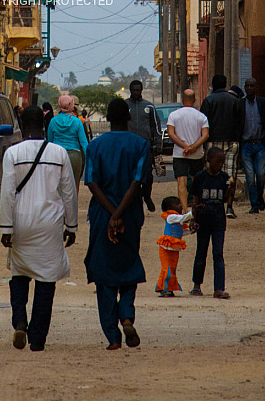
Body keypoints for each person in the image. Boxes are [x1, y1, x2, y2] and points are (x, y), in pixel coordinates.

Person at [0, 105, 78, 351]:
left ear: (21, 126)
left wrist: (6, 227)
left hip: (20, 222)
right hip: (50, 223)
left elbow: (7, 193)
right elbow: (69, 192)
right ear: (45, 126)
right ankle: (38, 338)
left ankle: (20, 321)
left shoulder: (12, 152)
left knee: (19, 273)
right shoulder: (59, 152)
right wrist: (71, 225)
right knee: (46, 279)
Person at [84, 97, 149, 350]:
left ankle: (112, 335)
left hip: (102, 215)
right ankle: (127, 315)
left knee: (104, 271)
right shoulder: (141, 145)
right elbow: (137, 182)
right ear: (129, 118)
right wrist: (121, 213)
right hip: (130, 214)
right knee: (129, 264)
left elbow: (91, 182)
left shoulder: (95, 147)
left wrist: (111, 214)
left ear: (108, 119)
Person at [190, 147, 233, 299]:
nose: (220, 164)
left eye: (222, 161)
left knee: (218, 254)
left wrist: (230, 188)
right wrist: (193, 219)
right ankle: (197, 285)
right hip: (203, 220)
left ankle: (219, 288)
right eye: (217, 161)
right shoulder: (201, 177)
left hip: (218, 221)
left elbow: (226, 200)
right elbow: (195, 200)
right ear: (209, 161)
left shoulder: (224, 178)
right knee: (201, 252)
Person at [200, 74, 244, 219]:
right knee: (230, 175)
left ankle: (211, 203)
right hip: (232, 142)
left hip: (213, 142)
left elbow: (203, 123)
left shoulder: (208, 101)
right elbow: (241, 123)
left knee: (211, 173)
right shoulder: (235, 101)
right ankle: (229, 207)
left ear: (213, 85)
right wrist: (237, 139)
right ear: (225, 84)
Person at [166, 90, 209, 214]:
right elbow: (205, 135)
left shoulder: (174, 115)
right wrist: (193, 147)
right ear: (194, 100)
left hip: (180, 153)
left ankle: (184, 209)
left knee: (182, 181)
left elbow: (171, 134)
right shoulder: (201, 116)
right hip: (197, 154)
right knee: (197, 181)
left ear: (182, 100)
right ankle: (196, 206)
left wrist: (184, 147)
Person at [126, 79, 162, 212]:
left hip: (145, 146)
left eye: (138, 90)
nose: (136, 92)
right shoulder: (125, 105)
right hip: (129, 146)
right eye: (133, 90)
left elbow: (156, 126)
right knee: (130, 174)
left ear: (141, 90)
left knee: (147, 175)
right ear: (130, 90)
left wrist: (157, 142)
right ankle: (133, 200)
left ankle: (147, 196)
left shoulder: (149, 107)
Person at [239, 77, 265, 214]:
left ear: (256, 87)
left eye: (252, 86)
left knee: (260, 175)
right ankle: (254, 204)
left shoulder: (263, 103)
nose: (249, 89)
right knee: (249, 176)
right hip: (246, 145)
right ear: (244, 88)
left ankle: (259, 197)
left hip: (260, 144)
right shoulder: (240, 104)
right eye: (247, 86)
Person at [155, 195, 194, 298]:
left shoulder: (177, 219)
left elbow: (181, 232)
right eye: (177, 204)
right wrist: (193, 212)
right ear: (169, 208)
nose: (180, 206)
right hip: (166, 249)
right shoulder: (171, 217)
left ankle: (168, 288)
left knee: (172, 269)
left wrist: (191, 230)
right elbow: (183, 217)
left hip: (173, 249)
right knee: (167, 269)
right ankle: (164, 289)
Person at [47, 94, 89, 189]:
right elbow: (84, 143)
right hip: (74, 156)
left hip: (56, 155)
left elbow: (49, 141)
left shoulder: (53, 121)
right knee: (74, 186)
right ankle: (73, 204)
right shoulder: (77, 122)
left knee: (57, 185)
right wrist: (89, 160)